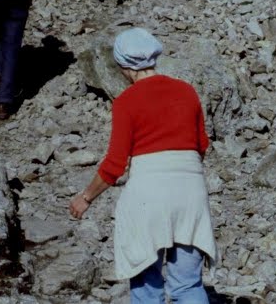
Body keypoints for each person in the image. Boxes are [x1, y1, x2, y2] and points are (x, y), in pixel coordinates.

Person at [69, 28, 216, 303]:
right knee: (188, 286)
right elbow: (201, 146)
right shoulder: (186, 91)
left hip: (148, 193)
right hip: (190, 191)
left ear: (123, 65)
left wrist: (85, 197)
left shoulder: (126, 102)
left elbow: (115, 164)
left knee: (146, 286)